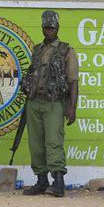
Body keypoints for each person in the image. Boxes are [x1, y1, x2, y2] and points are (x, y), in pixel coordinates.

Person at [21, 10, 79, 197]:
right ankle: (41, 180)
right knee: (36, 144)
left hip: (54, 103)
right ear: (42, 28)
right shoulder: (37, 50)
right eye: (46, 27)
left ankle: (58, 182)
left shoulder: (67, 51)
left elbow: (73, 81)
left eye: (52, 27)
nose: (49, 30)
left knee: (54, 142)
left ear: (58, 28)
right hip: (34, 102)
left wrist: (72, 108)